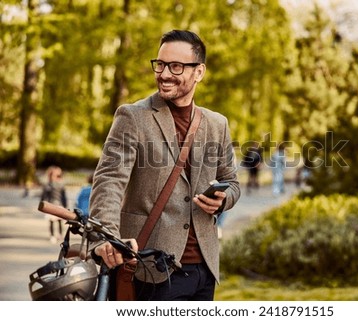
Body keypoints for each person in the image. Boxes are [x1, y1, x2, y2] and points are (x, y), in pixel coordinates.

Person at [89, 30, 240, 301]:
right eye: (160, 64)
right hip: (148, 267)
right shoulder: (132, 116)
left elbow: (232, 181)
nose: (164, 74)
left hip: (203, 269)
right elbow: (109, 181)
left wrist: (222, 199)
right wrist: (107, 239)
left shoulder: (218, 124)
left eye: (176, 66)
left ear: (199, 72)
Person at [40, 165, 67, 243]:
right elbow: (44, 196)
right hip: (51, 204)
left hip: (59, 204)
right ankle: (52, 235)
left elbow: (64, 197)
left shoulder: (60, 185)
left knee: (59, 221)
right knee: (51, 221)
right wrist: (43, 205)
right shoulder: (48, 185)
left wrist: (65, 206)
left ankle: (60, 235)